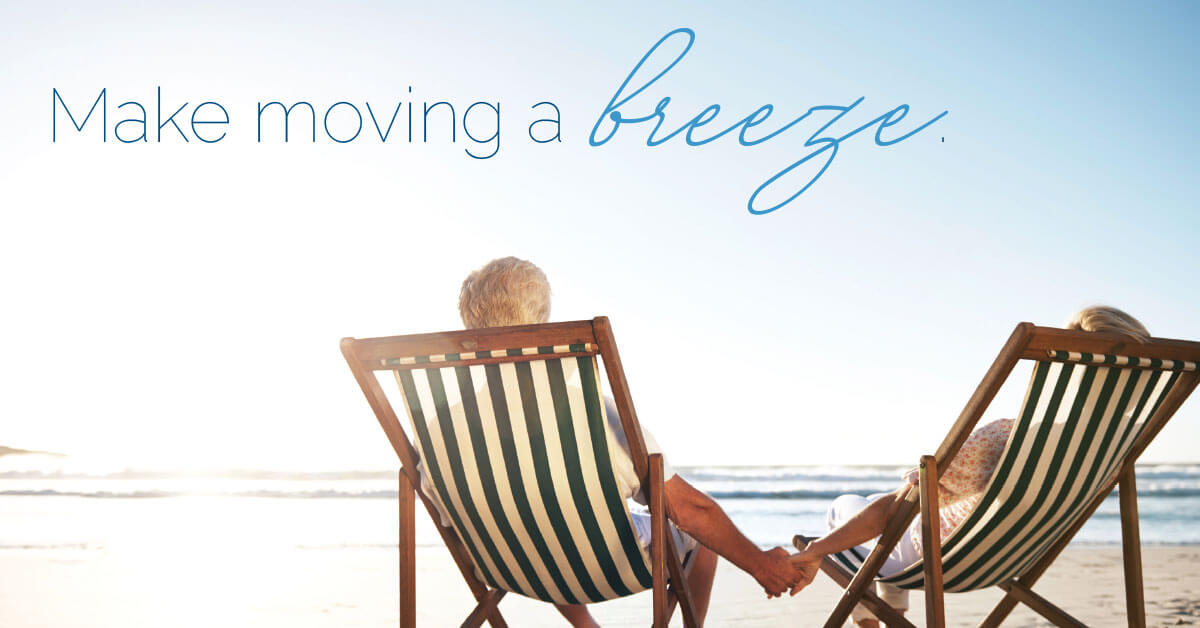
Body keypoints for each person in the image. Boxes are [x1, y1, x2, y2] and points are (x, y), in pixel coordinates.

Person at [420, 256, 802, 628]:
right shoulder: (589, 416)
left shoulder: (437, 431)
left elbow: (452, 515)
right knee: (693, 539)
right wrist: (760, 564)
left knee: (537, 527)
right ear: (540, 323)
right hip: (604, 568)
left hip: (511, 567)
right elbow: (689, 512)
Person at [787, 306, 1152, 627]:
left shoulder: (1009, 438)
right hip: (1011, 560)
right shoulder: (1115, 446)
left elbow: (899, 508)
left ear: (1060, 373)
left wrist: (815, 551)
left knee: (851, 506)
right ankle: (885, 616)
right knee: (887, 520)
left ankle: (874, 619)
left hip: (937, 559)